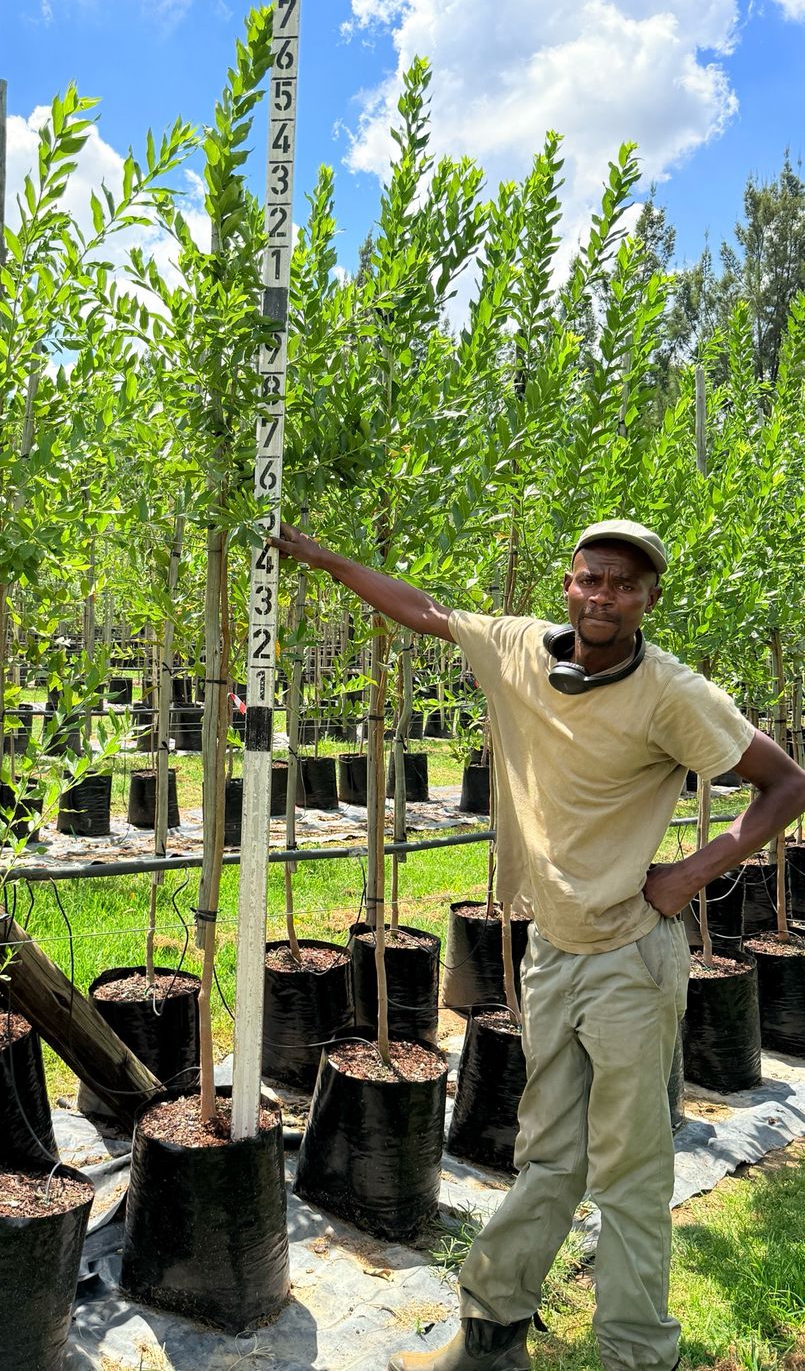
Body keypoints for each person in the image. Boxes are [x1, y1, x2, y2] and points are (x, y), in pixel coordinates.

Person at [271, 518, 805, 1371]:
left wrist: (691, 872)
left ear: (647, 600)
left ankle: (634, 1353)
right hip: (552, 949)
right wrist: (324, 558)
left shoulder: (672, 693)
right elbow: (423, 610)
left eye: (623, 586)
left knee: (628, 1170)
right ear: (567, 583)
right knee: (545, 1153)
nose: (602, 597)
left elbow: (786, 783)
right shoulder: (517, 648)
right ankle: (493, 1331)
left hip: (631, 953)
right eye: (589, 579)